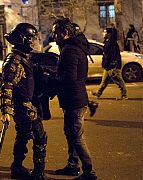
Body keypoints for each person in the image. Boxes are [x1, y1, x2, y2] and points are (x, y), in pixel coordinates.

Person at [51, 18, 97, 180]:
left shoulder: (70, 51)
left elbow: (69, 78)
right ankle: (72, 165)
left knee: (76, 137)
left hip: (74, 100)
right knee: (70, 133)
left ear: (65, 33)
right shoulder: (73, 48)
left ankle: (89, 171)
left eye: (56, 32)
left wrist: (52, 78)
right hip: (74, 99)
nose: (53, 35)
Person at [0, 23, 47, 180]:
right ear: (23, 39)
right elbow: (7, 86)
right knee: (39, 137)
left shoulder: (23, 58)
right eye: (31, 38)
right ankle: (38, 173)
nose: (33, 42)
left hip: (27, 105)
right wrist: (6, 110)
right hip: (24, 107)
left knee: (23, 136)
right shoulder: (13, 61)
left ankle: (17, 167)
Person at [93, 27, 128, 100]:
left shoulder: (112, 44)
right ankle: (98, 93)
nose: (103, 33)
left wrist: (113, 65)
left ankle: (124, 94)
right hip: (108, 66)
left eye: (105, 32)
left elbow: (112, 56)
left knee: (118, 81)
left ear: (109, 34)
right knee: (104, 81)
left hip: (112, 66)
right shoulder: (108, 42)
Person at [72, 23, 99, 117]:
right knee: (81, 88)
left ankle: (88, 106)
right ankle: (90, 105)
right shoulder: (80, 39)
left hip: (79, 66)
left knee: (78, 89)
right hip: (82, 65)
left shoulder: (76, 41)